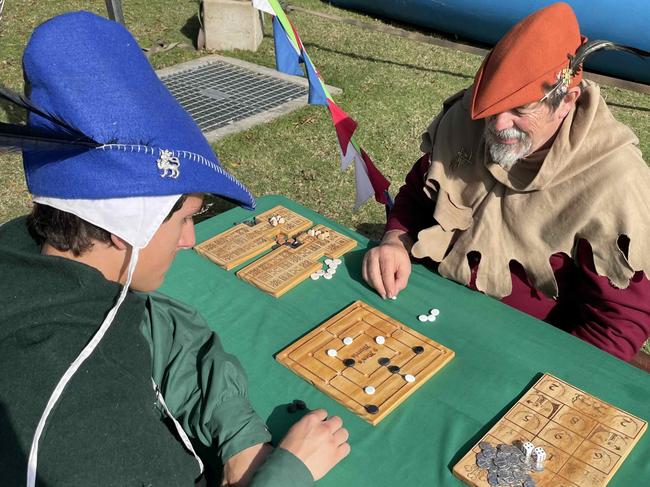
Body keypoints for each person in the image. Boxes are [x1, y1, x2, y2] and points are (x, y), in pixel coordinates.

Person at [0, 11, 349, 487]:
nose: (191, 240)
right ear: (125, 225)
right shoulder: (82, 432)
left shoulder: (40, 253)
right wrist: (287, 472)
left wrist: (241, 439)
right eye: (184, 219)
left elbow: (157, 327)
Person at [362, 2, 650, 366]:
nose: (498, 127)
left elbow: (617, 323)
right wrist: (394, 241)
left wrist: (552, 378)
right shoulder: (468, 119)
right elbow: (418, 197)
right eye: (492, 109)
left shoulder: (616, 181)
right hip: (428, 307)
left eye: (520, 110)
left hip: (527, 353)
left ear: (567, 101)